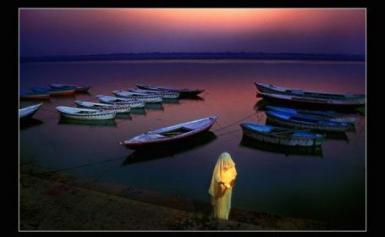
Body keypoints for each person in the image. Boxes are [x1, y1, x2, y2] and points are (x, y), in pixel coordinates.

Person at [208, 152, 237, 220]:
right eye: (224, 162)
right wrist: (222, 186)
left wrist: (228, 185)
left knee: (224, 206)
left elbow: (234, 178)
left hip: (226, 192)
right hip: (220, 192)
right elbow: (217, 180)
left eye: (227, 161)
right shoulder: (218, 170)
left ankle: (222, 218)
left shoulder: (231, 168)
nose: (226, 164)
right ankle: (218, 217)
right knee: (219, 206)